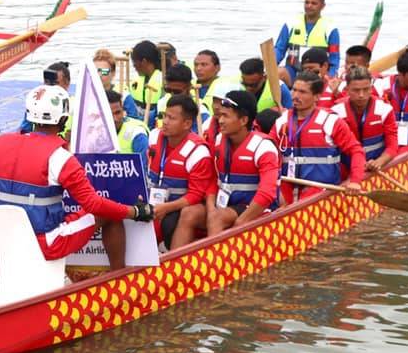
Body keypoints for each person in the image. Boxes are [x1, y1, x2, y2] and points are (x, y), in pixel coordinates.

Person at [0, 85, 150, 267]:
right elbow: (93, 204)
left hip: (6, 239)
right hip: (46, 244)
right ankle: (117, 280)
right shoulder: (61, 158)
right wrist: (134, 212)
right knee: (109, 211)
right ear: (63, 118)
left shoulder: (2, 146)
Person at [271, 72, 366, 203]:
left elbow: (356, 151)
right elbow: (269, 154)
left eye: (303, 92)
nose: (295, 96)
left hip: (322, 187)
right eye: (294, 90)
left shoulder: (331, 122)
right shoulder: (281, 121)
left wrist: (355, 181)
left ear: (317, 97)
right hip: (288, 184)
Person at [146, 94, 217, 249]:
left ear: (186, 124)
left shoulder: (198, 152)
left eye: (171, 118)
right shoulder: (153, 137)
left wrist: (166, 208)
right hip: (153, 203)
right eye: (165, 116)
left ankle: (175, 267)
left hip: (176, 209)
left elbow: (195, 195)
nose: (164, 122)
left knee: (166, 224)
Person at [206, 90, 281, 236]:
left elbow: (267, 193)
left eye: (226, 116)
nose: (220, 121)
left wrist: (241, 222)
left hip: (253, 208)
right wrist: (210, 209)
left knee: (217, 217)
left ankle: (215, 258)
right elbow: (212, 180)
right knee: (190, 213)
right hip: (224, 206)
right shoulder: (218, 141)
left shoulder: (263, 147)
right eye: (220, 115)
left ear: (243, 121)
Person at [332, 65, 398, 171]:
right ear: (347, 90)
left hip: (375, 164)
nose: (361, 95)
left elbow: (392, 146)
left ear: (371, 89)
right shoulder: (336, 113)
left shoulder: (385, 110)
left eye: (365, 89)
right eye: (356, 90)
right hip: (346, 167)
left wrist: (379, 162)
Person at [276, 0, 340, 85]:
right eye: (306, 2)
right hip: (293, 70)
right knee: (278, 73)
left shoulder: (331, 28)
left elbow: (334, 57)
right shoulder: (290, 24)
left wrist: (330, 75)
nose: (309, 6)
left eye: (314, 3)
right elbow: (279, 50)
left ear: (322, 6)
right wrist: (269, 68)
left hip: (316, 72)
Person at [191, 50, 239, 128]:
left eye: (204, 65)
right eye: (196, 65)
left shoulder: (228, 86)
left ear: (217, 68)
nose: (198, 68)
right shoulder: (188, 86)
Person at [125, 40, 165, 129]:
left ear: (144, 61)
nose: (134, 66)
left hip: (155, 125)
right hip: (137, 123)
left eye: (134, 62)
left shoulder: (163, 81)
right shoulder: (137, 80)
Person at [106, 88, 150, 157]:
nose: (115, 119)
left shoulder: (137, 133)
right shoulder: (92, 132)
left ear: (123, 110)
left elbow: (143, 166)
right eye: (109, 114)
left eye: (118, 113)